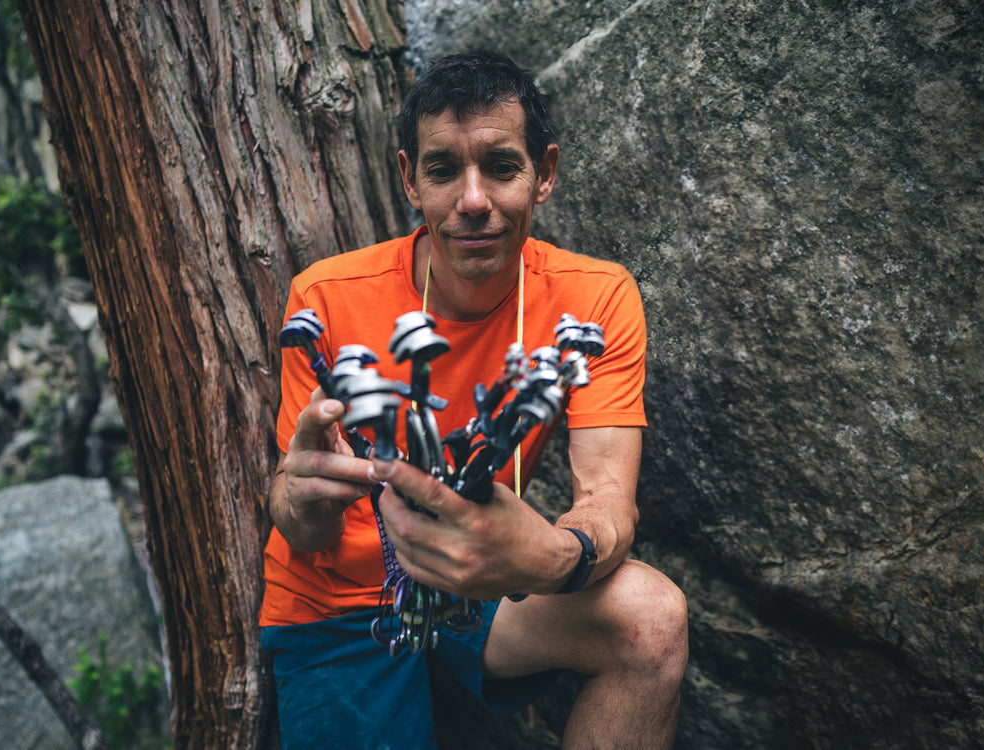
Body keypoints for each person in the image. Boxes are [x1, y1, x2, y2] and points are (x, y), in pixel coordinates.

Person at [260, 51, 688, 748]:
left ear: (544, 173)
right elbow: (300, 525)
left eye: (500, 166)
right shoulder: (327, 298)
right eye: (442, 170)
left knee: (651, 618)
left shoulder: (595, 298)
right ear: (410, 179)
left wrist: (556, 556)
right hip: (336, 606)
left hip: (483, 579)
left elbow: (609, 497)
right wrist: (300, 498)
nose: (473, 200)